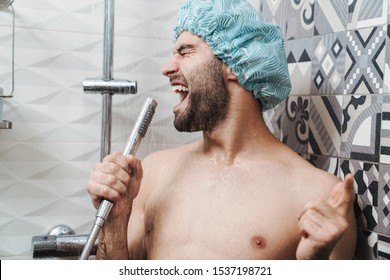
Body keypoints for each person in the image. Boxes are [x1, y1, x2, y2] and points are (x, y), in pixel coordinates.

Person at [87, 0, 356, 260]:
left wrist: (314, 262)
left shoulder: (316, 194)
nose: (167, 68)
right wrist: (115, 220)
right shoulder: (155, 172)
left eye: (184, 51)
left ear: (236, 64)